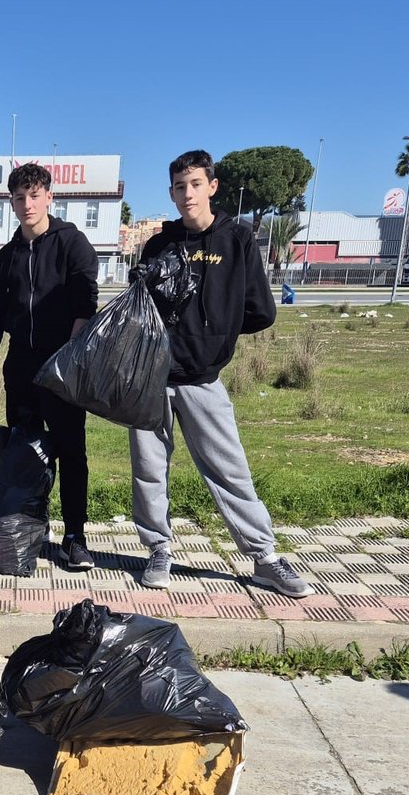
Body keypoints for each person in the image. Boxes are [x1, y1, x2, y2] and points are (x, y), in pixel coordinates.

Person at [130, 149, 313, 597]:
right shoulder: (159, 244)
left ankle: (264, 557)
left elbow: (260, 311)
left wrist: (214, 336)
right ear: (171, 193)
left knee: (229, 470)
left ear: (212, 187)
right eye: (178, 186)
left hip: (203, 379)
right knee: (149, 470)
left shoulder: (237, 240)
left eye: (194, 184)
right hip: (152, 377)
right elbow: (138, 305)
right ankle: (158, 549)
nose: (186, 194)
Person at [0, 162, 99, 571]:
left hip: (62, 369)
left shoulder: (72, 243)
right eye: (19, 197)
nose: (27, 204)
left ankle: (75, 536)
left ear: (49, 197)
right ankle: (26, 531)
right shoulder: (7, 257)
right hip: (20, 369)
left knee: (70, 452)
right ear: (11, 202)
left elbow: (85, 302)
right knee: (26, 454)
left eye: (34, 195)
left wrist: (69, 355)